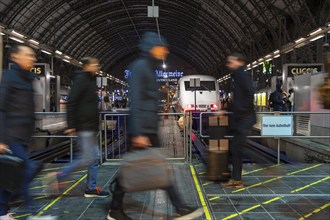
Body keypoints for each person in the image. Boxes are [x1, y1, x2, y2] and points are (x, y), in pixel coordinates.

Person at [107, 32, 203, 220]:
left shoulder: (148, 67)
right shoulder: (140, 67)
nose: (165, 50)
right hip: (142, 130)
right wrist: (139, 133)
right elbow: (137, 101)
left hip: (148, 127)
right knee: (140, 168)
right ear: (152, 47)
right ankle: (179, 207)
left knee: (155, 166)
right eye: (162, 47)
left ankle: (178, 207)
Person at [44, 57, 109, 198]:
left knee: (94, 158)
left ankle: (90, 188)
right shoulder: (81, 80)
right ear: (86, 66)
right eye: (94, 64)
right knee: (87, 159)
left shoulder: (91, 81)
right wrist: (71, 125)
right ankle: (59, 175)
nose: (97, 66)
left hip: (90, 127)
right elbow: (72, 103)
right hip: (84, 126)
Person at [0, 44, 50, 220]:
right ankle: (33, 213)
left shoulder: (28, 78)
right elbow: (2, 108)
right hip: (11, 134)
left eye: (33, 56)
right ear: (16, 57)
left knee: (12, 175)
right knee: (25, 170)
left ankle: (3, 212)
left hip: (23, 136)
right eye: (28, 55)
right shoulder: (9, 77)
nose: (33, 59)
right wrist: (2, 139)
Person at [221, 53, 256, 189]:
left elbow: (249, 94)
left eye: (230, 62)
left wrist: (240, 110)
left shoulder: (242, 75)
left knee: (236, 148)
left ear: (239, 62)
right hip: (241, 117)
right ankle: (233, 176)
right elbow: (238, 99)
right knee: (234, 148)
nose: (228, 65)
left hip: (244, 118)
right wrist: (226, 109)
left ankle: (236, 179)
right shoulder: (237, 76)